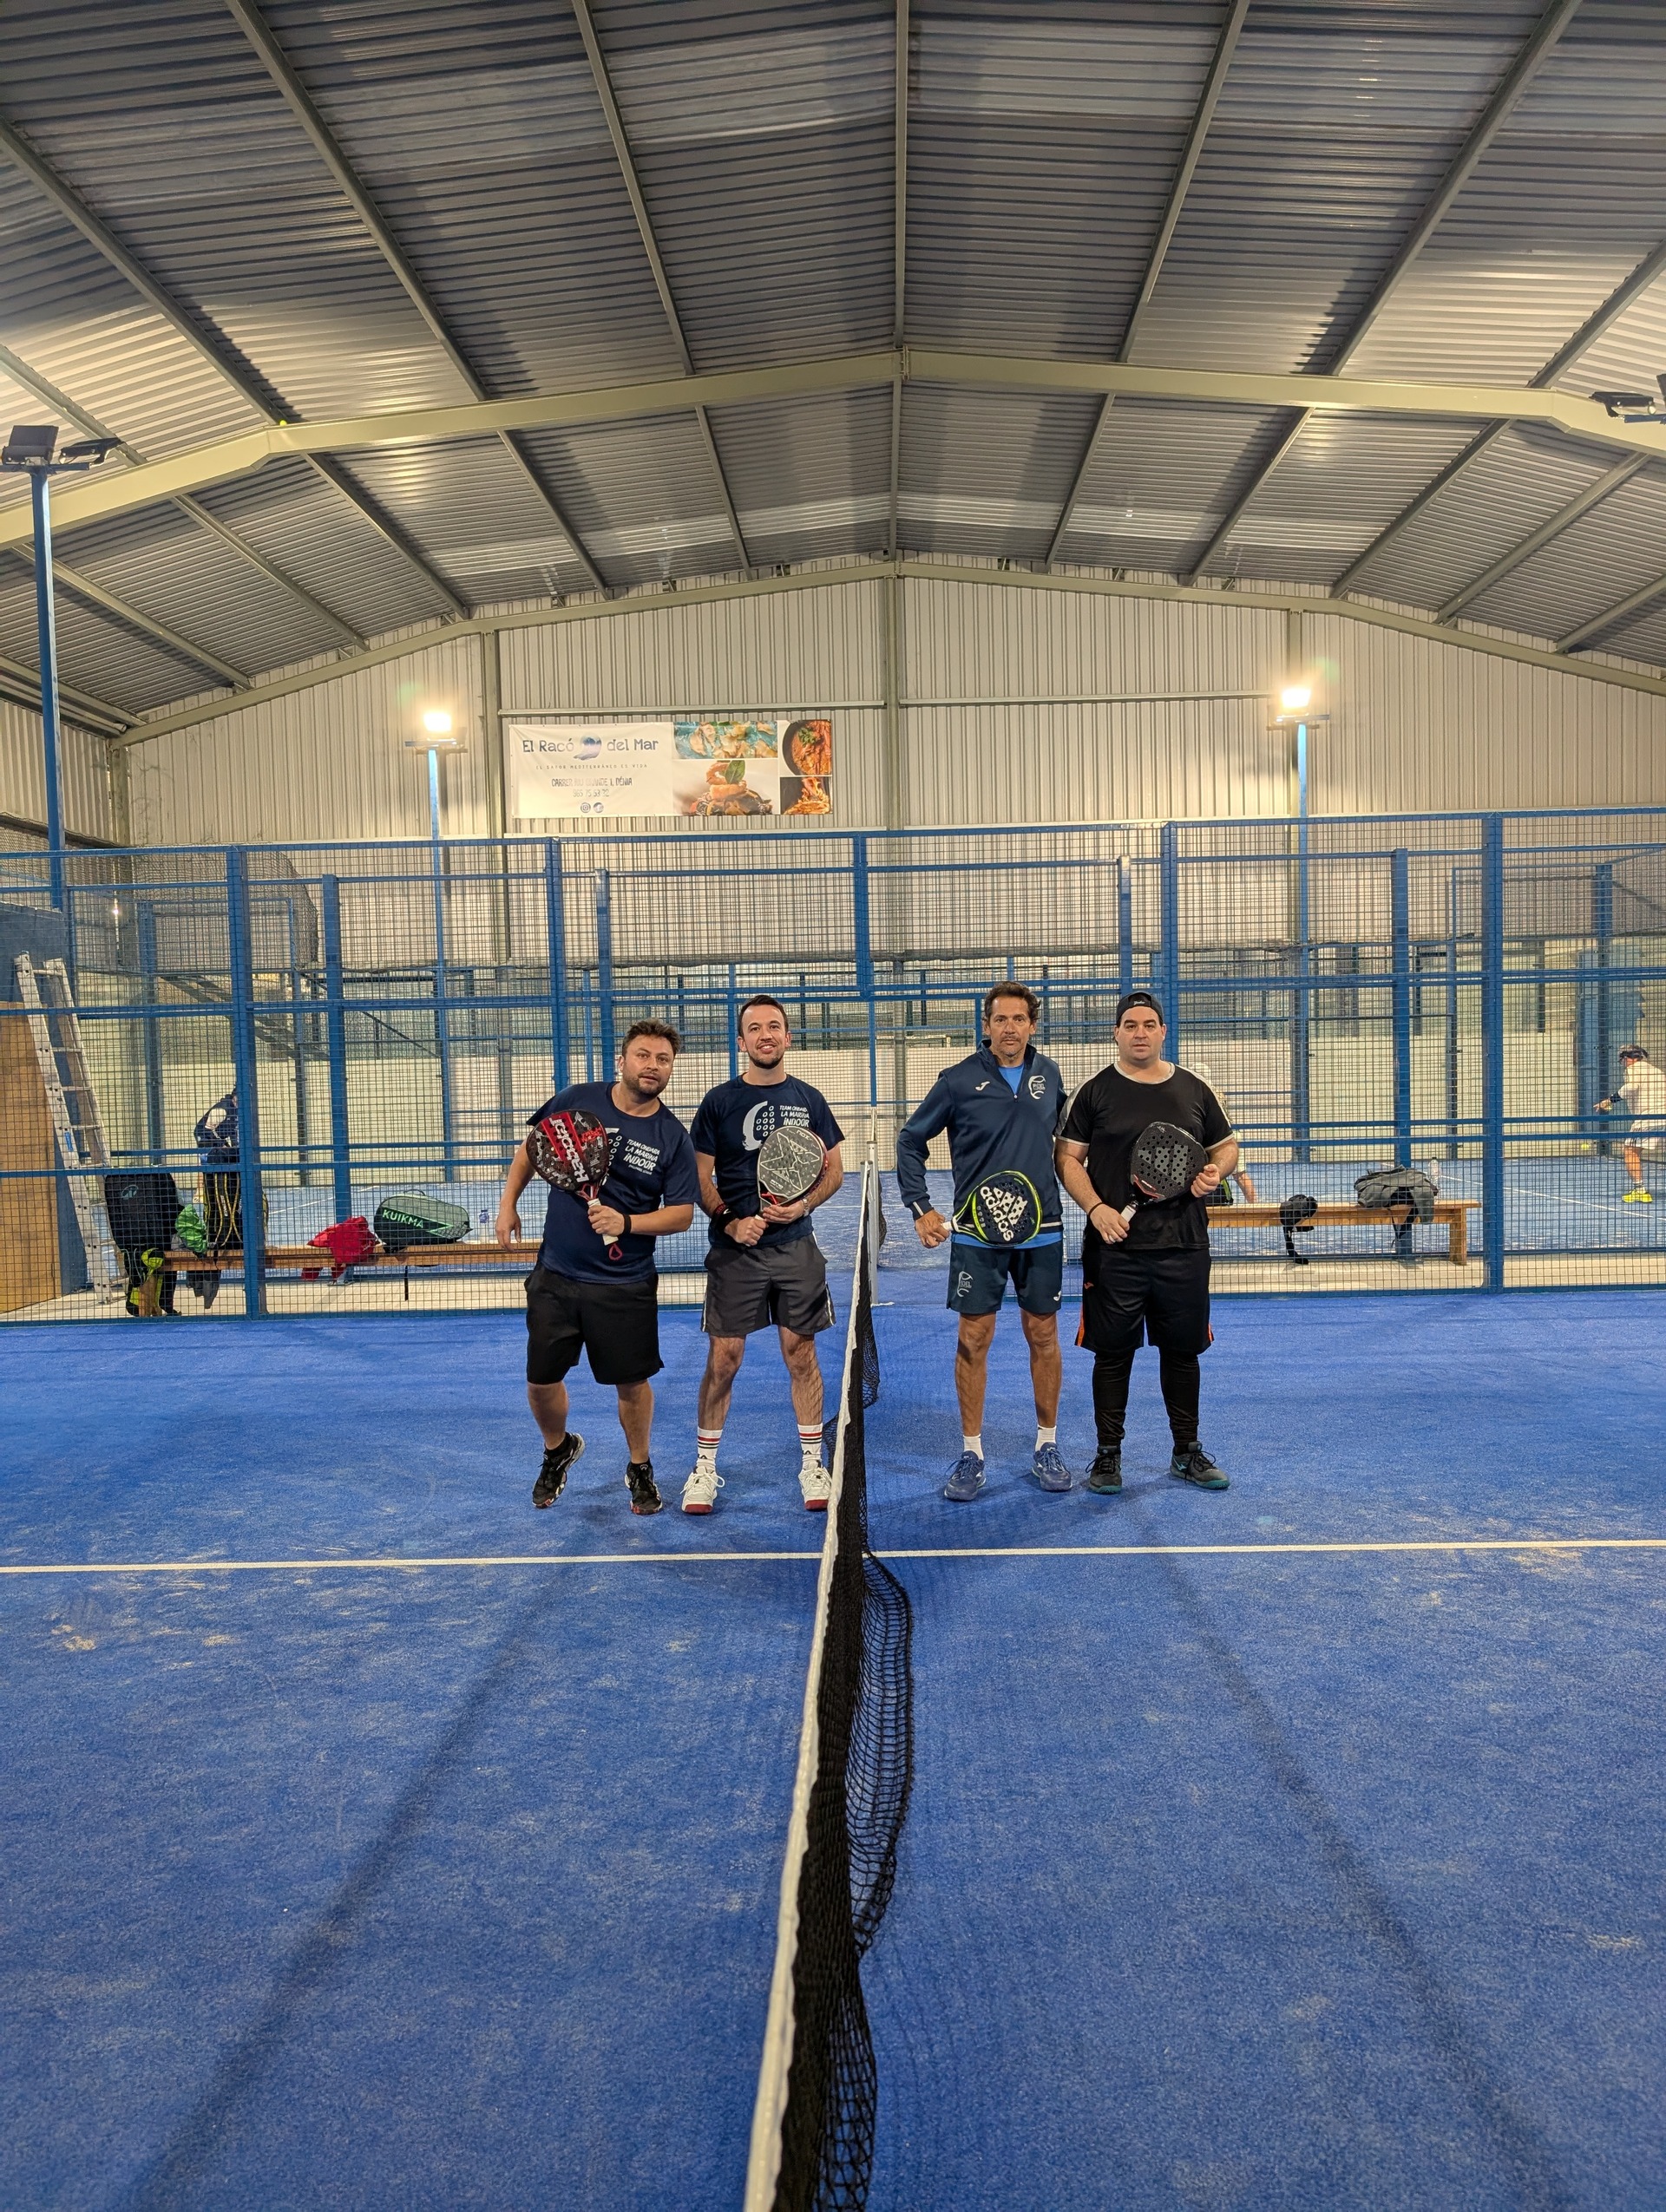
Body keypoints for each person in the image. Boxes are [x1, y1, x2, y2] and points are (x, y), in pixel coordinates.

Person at [495, 1020, 699, 1515]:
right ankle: (558, 1448)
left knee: (631, 1383)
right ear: (622, 1060)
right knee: (541, 1381)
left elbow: (681, 1215)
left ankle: (640, 1467)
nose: (652, 1066)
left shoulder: (672, 1136)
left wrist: (625, 1222)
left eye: (663, 1060)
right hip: (557, 1275)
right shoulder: (578, 1099)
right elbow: (534, 1147)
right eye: (643, 1055)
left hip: (624, 1284)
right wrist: (508, 1204)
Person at [1056, 991, 1239, 1496]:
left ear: (1163, 1032)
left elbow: (1226, 1148)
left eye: (1149, 1024)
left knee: (1182, 1353)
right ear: (1116, 1033)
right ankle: (1107, 1456)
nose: (1140, 1032)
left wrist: (1215, 1172)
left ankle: (1187, 1452)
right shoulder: (1093, 1092)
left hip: (1184, 1247)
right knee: (1112, 1355)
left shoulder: (1195, 1089)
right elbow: (1067, 1158)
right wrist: (1096, 1208)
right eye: (1131, 1025)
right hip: (1114, 1253)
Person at [895, 982, 1071, 1502]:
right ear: (986, 1025)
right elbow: (910, 1140)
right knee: (974, 1339)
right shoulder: (956, 1081)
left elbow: (1071, 1145)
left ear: (1032, 1025)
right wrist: (920, 1206)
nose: (1009, 1028)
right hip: (977, 1234)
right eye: (1000, 1019)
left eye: (1019, 1019)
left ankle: (1047, 1444)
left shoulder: (1050, 1076)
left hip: (1042, 1231)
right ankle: (972, 1452)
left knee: (1044, 1335)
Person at [686, 995, 844, 1515]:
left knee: (801, 1354)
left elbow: (835, 1172)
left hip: (796, 1248)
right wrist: (731, 1220)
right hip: (735, 1255)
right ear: (742, 1041)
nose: (765, 1035)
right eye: (754, 1028)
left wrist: (802, 1204)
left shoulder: (810, 1099)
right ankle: (704, 1468)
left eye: (774, 1026)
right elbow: (699, 1177)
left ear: (788, 1037)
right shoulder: (718, 1102)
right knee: (724, 1359)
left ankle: (812, 1464)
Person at [1599, 1044, 1666, 1202]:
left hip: (1649, 1117)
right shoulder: (1656, 1071)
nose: (1622, 1063)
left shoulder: (1633, 1069)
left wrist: (1610, 1100)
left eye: (1622, 1059)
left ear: (1627, 1058)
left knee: (1630, 1151)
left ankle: (1640, 1190)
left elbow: (1631, 1087)